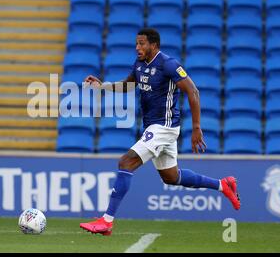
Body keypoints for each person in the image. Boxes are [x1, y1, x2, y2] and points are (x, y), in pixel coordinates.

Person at [80, 28, 240, 236]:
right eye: (136, 43)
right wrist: (103, 86)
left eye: (142, 43)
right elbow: (128, 85)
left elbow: (193, 91)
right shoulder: (139, 64)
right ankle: (223, 185)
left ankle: (107, 221)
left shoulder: (168, 64)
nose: (138, 47)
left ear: (154, 45)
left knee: (126, 162)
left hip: (164, 127)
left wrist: (197, 127)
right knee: (171, 177)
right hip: (154, 127)